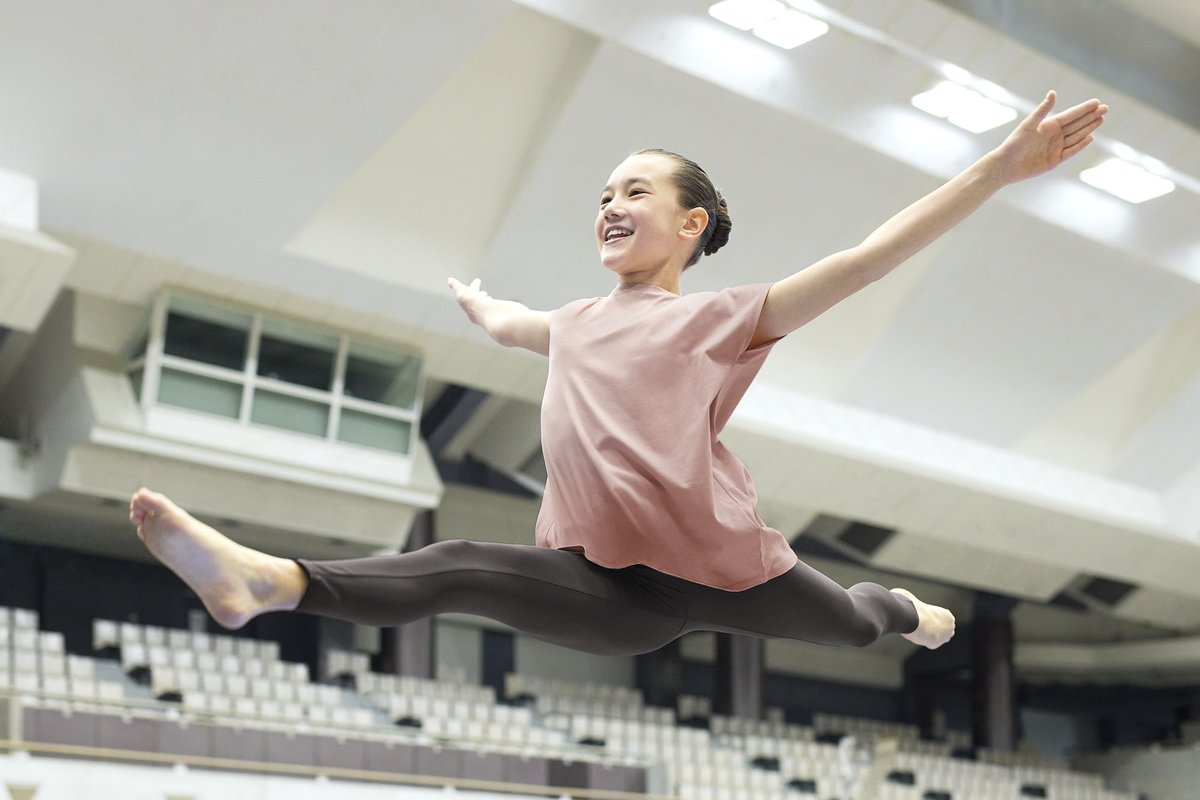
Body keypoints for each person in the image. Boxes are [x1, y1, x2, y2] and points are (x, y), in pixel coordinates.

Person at [130, 90, 1106, 657]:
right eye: (602, 192)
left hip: (727, 571)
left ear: (690, 224)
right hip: (608, 591)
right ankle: (272, 579)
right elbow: (519, 325)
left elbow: (867, 260)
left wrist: (994, 171)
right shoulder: (572, 322)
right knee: (460, 565)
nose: (610, 203)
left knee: (855, 625)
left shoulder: (722, 322)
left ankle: (908, 608)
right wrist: (480, 305)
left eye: (634, 190)